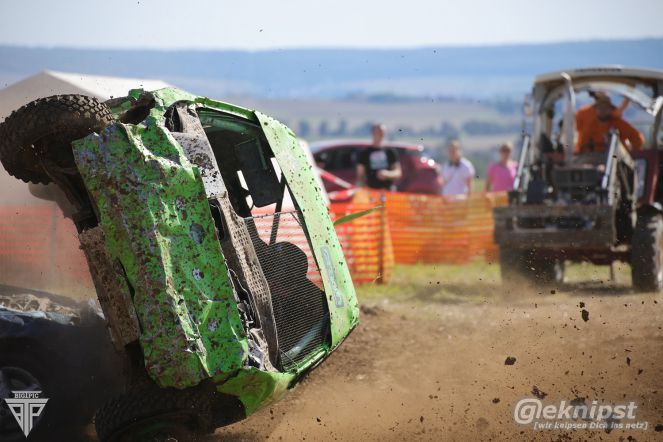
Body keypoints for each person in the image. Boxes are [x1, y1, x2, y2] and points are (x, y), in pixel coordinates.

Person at [575, 92, 644, 153]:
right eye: (600, 108)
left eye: (606, 108)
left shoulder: (619, 124)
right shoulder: (589, 124)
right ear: (595, 110)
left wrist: (630, 154)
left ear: (611, 109)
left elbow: (638, 139)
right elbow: (582, 145)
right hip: (592, 160)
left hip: (615, 160)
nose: (603, 110)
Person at [356, 123, 402, 190]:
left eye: (382, 132)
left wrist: (387, 174)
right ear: (372, 133)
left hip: (388, 190)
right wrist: (363, 187)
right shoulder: (364, 153)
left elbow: (398, 172)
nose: (380, 134)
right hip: (371, 190)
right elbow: (360, 175)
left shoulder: (390, 152)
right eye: (378, 132)